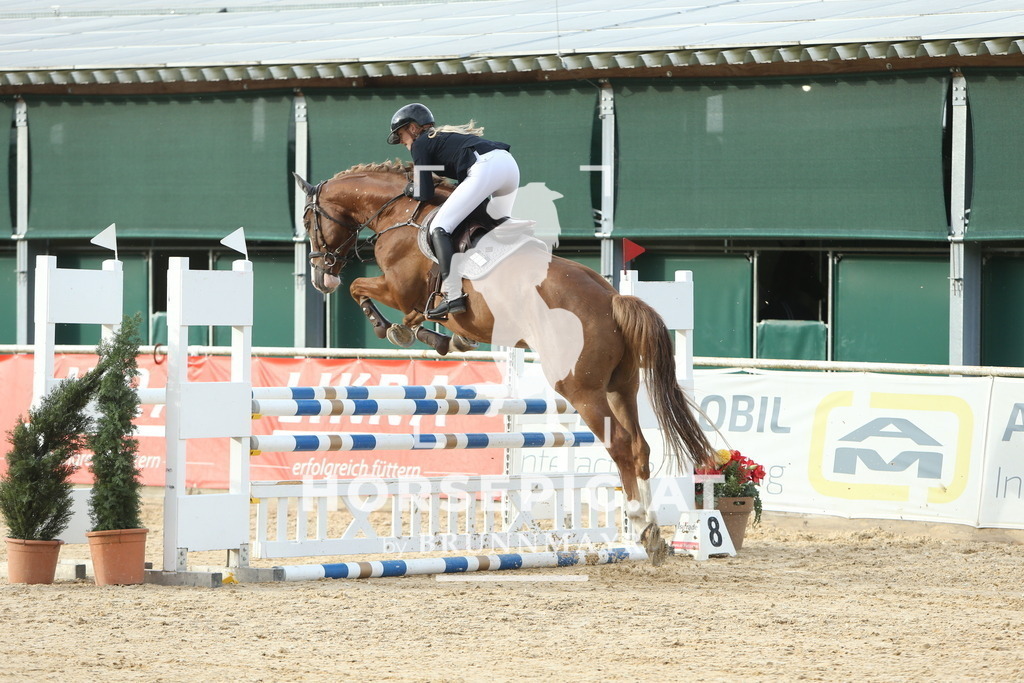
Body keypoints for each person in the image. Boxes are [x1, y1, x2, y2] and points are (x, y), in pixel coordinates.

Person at [387, 102, 528, 319]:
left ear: (413, 128)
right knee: (495, 227)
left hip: (486, 167)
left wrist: (410, 188)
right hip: (508, 166)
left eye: (401, 136)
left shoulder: (420, 143)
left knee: (439, 227)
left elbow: (424, 193)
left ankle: (452, 295)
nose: (402, 143)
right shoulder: (440, 140)